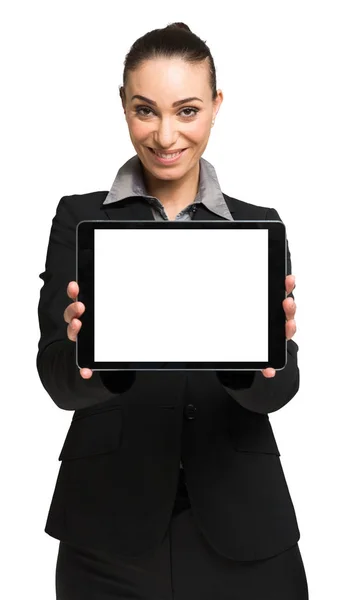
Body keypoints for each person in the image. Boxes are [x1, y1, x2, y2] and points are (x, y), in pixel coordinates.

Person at [36, 22, 309, 600]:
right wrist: (91, 357)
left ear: (215, 106)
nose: (165, 135)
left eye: (186, 110)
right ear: (123, 108)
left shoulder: (258, 224)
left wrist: (263, 361)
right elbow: (59, 378)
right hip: (107, 531)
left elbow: (279, 389)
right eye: (145, 110)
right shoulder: (79, 218)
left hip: (245, 525)